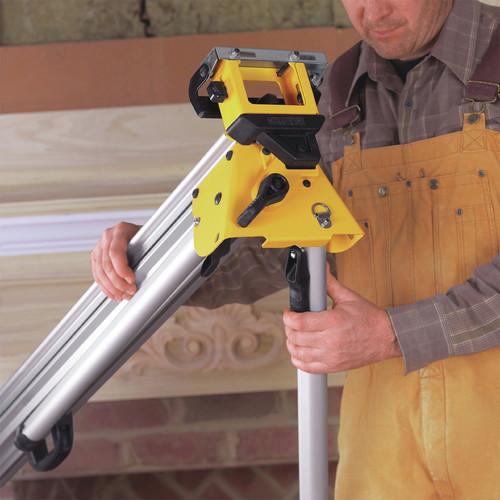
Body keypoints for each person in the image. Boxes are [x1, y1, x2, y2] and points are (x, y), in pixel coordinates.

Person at [92, 0, 500, 497]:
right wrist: (152, 255)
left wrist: (392, 335)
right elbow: (275, 248)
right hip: (385, 442)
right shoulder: (336, 93)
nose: (374, 10)